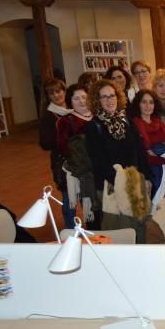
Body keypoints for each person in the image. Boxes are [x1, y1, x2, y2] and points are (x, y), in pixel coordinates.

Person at [85, 79, 150, 229]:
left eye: (112, 95)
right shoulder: (93, 127)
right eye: (104, 97)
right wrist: (122, 183)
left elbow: (140, 150)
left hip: (134, 181)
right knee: (116, 227)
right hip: (111, 186)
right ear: (97, 100)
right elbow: (99, 162)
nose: (110, 100)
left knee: (137, 225)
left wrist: (145, 177)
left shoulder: (126, 120)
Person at [56, 84, 96, 226]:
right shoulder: (66, 121)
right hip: (79, 171)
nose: (82, 101)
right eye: (76, 98)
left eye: (84, 97)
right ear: (70, 101)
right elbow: (63, 146)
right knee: (83, 205)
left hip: (98, 168)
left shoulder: (97, 116)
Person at [38, 78, 74, 227]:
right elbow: (45, 143)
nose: (57, 95)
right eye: (52, 93)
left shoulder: (74, 108)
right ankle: (70, 229)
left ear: (64, 91)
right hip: (62, 162)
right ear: (48, 97)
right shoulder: (47, 116)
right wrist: (64, 138)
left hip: (81, 159)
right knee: (68, 196)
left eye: (59, 91)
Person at [129, 89, 165, 201]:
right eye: (144, 102)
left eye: (151, 102)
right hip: (148, 172)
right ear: (138, 104)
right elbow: (142, 152)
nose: (148, 106)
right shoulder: (134, 124)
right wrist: (162, 151)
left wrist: (158, 151)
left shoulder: (158, 122)